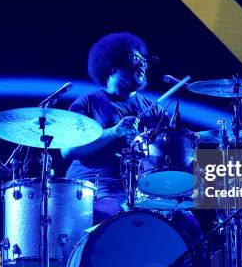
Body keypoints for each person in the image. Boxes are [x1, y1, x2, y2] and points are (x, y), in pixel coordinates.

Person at [61, 32, 168, 223]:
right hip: (96, 189)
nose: (142, 64)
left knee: (187, 224)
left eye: (143, 59)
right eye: (134, 58)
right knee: (104, 216)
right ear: (112, 68)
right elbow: (68, 150)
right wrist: (114, 132)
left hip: (143, 193)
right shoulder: (87, 103)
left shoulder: (156, 111)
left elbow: (168, 158)